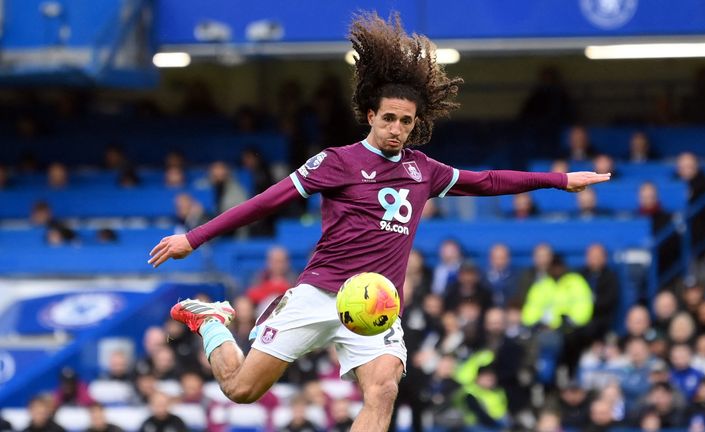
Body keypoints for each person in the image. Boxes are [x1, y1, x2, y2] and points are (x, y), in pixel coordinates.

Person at [148, 12, 610, 432]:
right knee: (241, 390)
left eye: (405, 121)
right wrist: (193, 237)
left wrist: (559, 179)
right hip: (319, 293)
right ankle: (211, 320)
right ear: (370, 115)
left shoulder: (423, 169)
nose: (396, 128)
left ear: (414, 124)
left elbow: (486, 181)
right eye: (387, 118)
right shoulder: (336, 161)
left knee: (384, 390)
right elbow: (267, 201)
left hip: (375, 306)